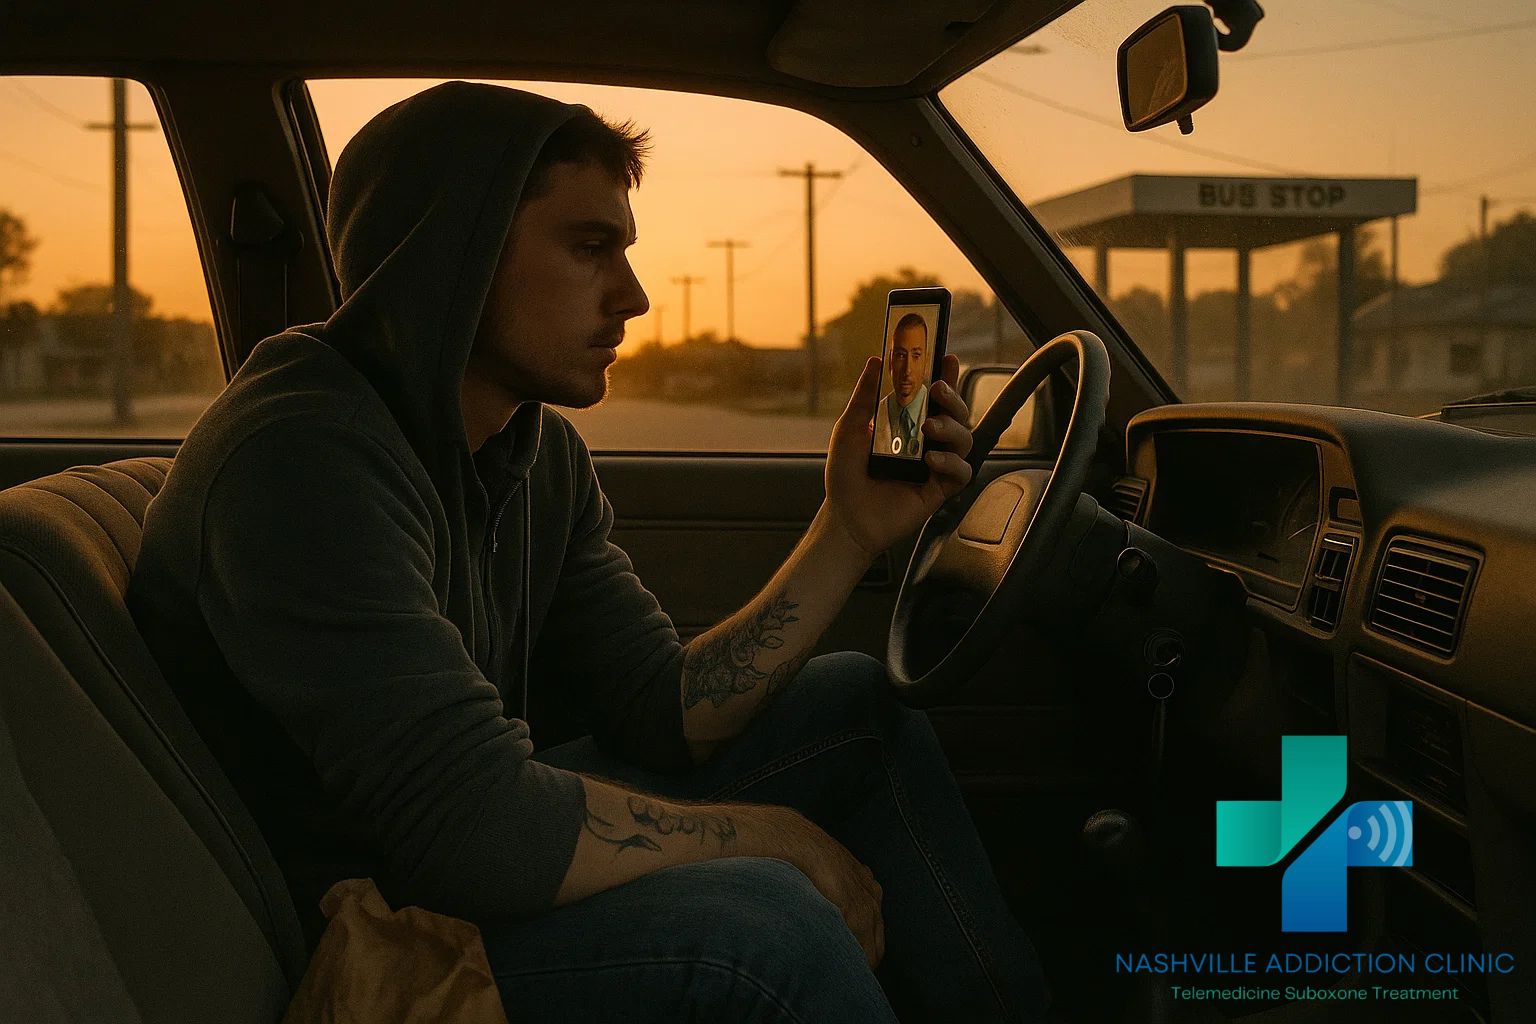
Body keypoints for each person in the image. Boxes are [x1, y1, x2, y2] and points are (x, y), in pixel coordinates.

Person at [126, 81, 1052, 1023]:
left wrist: (847, 529)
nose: (635, 296)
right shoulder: (300, 456)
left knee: (856, 707)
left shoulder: (530, 451)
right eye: (588, 248)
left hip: (448, 860)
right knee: (767, 924)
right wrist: (767, 840)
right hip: (365, 942)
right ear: (451, 256)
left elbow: (664, 709)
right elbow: (473, 831)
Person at [872, 312, 931, 458]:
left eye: (916, 356)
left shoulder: (940, 416)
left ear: (926, 362)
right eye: (900, 355)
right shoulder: (872, 418)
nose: (907, 370)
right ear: (890, 361)